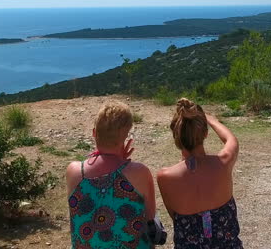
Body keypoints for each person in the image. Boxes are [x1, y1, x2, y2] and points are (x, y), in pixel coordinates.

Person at [66, 101, 156, 248]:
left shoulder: (74, 171)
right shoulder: (139, 172)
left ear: (94, 133)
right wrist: (123, 163)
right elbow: (150, 217)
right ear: (126, 136)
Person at [157, 99, 243, 248]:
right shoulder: (224, 163)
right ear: (205, 133)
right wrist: (211, 120)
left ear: (176, 135)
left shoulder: (165, 177)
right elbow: (231, 139)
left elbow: (174, 216)